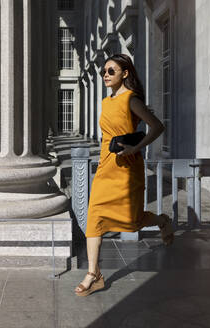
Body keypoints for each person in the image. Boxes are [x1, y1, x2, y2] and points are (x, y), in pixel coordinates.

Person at [74, 54, 174, 297]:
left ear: (125, 73)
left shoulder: (131, 100)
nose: (106, 75)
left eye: (111, 71)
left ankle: (162, 221)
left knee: (132, 221)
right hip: (106, 165)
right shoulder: (105, 102)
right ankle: (93, 274)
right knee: (94, 217)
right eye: (104, 72)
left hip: (128, 166)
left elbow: (157, 126)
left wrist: (136, 148)